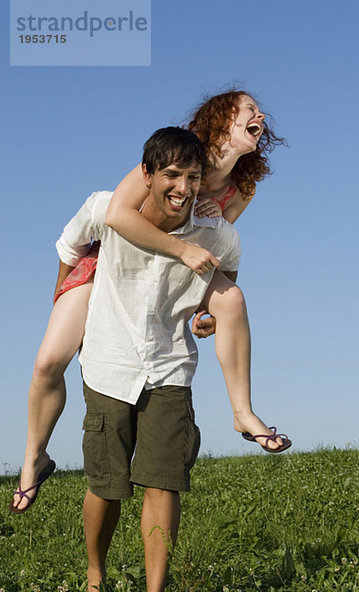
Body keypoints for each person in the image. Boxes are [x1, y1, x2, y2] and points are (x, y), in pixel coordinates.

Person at [10, 89, 290, 515]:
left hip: (163, 274)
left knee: (231, 299)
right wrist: (64, 292)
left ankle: (243, 413)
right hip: (111, 258)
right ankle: (34, 458)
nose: (261, 115)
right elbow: (117, 216)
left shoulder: (241, 188)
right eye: (250, 109)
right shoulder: (175, 151)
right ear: (223, 117)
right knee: (48, 362)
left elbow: (213, 246)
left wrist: (202, 311)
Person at [59, 127, 242, 591]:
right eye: (173, 175)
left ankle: (154, 589)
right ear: (147, 174)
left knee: (164, 482)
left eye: (194, 177)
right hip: (107, 363)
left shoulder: (216, 234)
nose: (183, 187)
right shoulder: (105, 210)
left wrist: (206, 317)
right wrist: (65, 311)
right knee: (107, 485)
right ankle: (95, 575)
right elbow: (67, 250)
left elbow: (219, 294)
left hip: (170, 365)